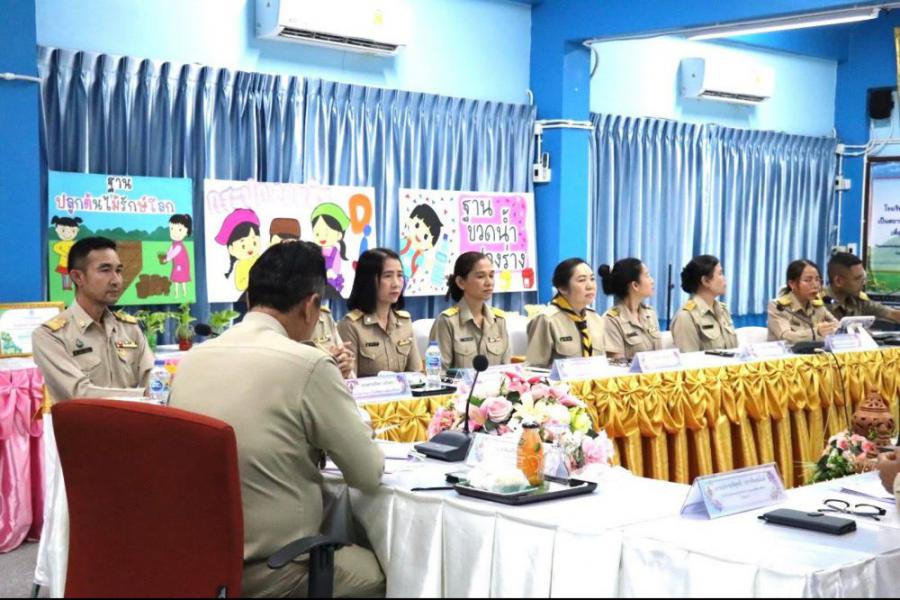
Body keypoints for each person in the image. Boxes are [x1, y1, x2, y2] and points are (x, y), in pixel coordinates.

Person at [168, 241, 385, 598]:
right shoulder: (308, 364)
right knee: (392, 572)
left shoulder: (192, 361)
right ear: (311, 306)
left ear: (249, 298)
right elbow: (367, 473)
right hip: (276, 568)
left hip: (199, 562)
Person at [32, 237, 154, 402]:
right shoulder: (51, 336)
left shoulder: (129, 329)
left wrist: (157, 392)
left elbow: (153, 377)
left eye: (118, 271)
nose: (116, 280)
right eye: (105, 270)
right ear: (78, 277)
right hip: (86, 419)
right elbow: (79, 393)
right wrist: (144, 396)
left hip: (137, 417)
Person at [338, 248, 422, 376]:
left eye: (400, 275)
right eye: (387, 276)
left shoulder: (404, 322)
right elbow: (349, 380)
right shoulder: (351, 326)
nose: (396, 284)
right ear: (368, 280)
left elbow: (417, 374)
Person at [429, 251, 510, 369]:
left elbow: (506, 369)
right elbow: (437, 372)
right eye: (480, 276)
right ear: (461, 282)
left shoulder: (499, 320)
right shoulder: (447, 321)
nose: (489, 283)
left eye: (491, 276)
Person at [525, 258, 605, 368]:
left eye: (592, 279)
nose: (590, 286)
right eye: (582, 280)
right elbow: (534, 369)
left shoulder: (596, 319)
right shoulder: (547, 320)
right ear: (563, 288)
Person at [670, 255, 738, 352]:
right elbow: (688, 358)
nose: (724, 278)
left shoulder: (723, 310)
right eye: (720, 274)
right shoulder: (686, 317)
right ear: (705, 281)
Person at [599, 258, 661, 359]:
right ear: (635, 285)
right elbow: (617, 363)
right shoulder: (611, 320)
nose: (652, 281)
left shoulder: (650, 313)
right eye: (647, 275)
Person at [767, 259, 838, 343]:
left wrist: (837, 327)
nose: (815, 285)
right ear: (792, 284)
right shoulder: (779, 306)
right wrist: (816, 332)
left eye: (817, 279)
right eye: (807, 280)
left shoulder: (817, 304)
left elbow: (836, 325)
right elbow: (787, 337)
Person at [823, 252, 900, 323]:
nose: (863, 283)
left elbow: (892, 314)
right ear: (838, 281)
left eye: (863, 278)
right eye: (857, 279)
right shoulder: (820, 304)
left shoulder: (858, 301)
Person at [162, 213, 192, 298]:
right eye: (172, 228)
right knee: (176, 279)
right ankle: (176, 293)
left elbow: (173, 253)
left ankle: (184, 293)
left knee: (182, 280)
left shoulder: (179, 246)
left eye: (179, 229)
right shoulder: (174, 244)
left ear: (186, 232)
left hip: (182, 265)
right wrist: (166, 256)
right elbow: (170, 251)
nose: (174, 233)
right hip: (177, 265)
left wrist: (167, 259)